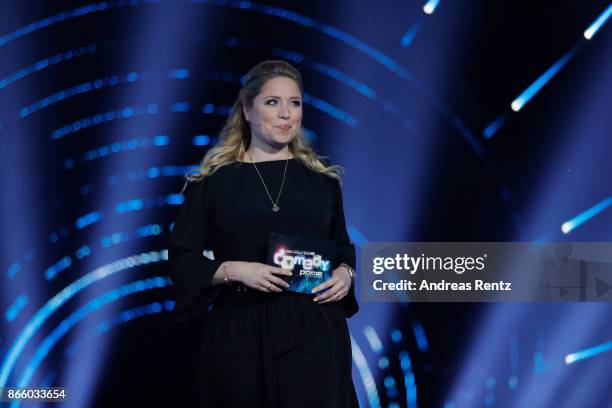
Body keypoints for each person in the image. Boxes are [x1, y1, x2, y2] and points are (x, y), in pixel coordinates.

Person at [168, 60, 360, 408]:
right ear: (246, 108)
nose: (286, 113)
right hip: (241, 332)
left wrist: (345, 274)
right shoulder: (212, 183)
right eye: (273, 102)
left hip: (316, 333)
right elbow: (183, 258)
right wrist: (234, 269)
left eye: (295, 103)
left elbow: (342, 247)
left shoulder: (323, 182)